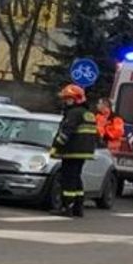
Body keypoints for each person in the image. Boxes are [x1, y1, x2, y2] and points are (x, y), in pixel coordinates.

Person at [51, 83, 97, 218]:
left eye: (68, 99)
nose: (65, 101)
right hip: (84, 152)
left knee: (68, 179)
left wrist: (55, 148)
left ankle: (67, 207)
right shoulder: (88, 114)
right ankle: (78, 207)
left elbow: (65, 133)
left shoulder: (73, 113)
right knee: (76, 179)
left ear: (75, 99)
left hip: (72, 151)